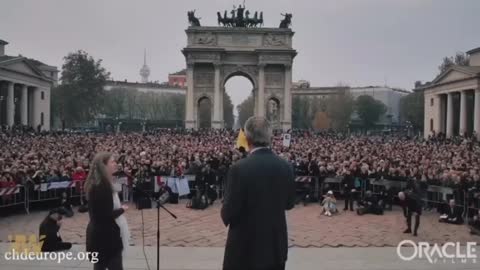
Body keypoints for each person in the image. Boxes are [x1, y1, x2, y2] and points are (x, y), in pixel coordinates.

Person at [221, 117, 295, 270]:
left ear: (247, 138)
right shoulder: (286, 166)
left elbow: (228, 213)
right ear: (270, 137)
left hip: (244, 249)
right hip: (275, 247)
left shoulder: (238, 169)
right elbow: (289, 203)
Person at [85, 152, 130, 270]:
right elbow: (104, 215)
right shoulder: (101, 186)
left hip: (101, 237)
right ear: (103, 166)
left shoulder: (101, 184)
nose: (116, 164)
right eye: (112, 161)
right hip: (106, 239)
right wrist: (121, 210)